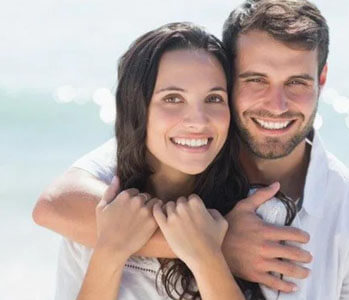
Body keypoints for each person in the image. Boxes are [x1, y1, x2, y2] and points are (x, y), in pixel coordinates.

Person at [33, 0, 349, 299]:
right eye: (256, 79)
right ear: (229, 76)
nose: (276, 105)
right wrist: (212, 243)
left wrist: (205, 248)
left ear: (321, 79)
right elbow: (56, 204)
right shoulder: (174, 150)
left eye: (296, 82)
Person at [52, 22, 295, 300]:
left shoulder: (260, 217)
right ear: (137, 107)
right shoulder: (99, 217)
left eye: (214, 98)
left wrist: (208, 256)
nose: (198, 121)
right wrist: (111, 250)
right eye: (173, 98)